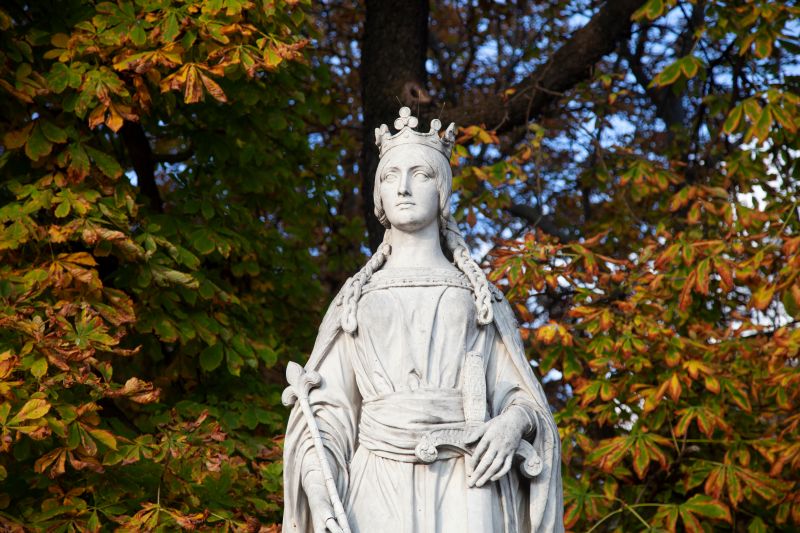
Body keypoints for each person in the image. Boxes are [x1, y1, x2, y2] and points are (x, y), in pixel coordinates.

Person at [283, 107, 563, 533]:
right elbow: (324, 415)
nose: (405, 188)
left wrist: (511, 425)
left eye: (422, 174)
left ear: (442, 192)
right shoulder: (355, 299)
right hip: (376, 482)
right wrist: (321, 499)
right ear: (378, 193)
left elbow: (521, 396)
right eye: (391, 176)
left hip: (469, 483)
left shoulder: (478, 296)